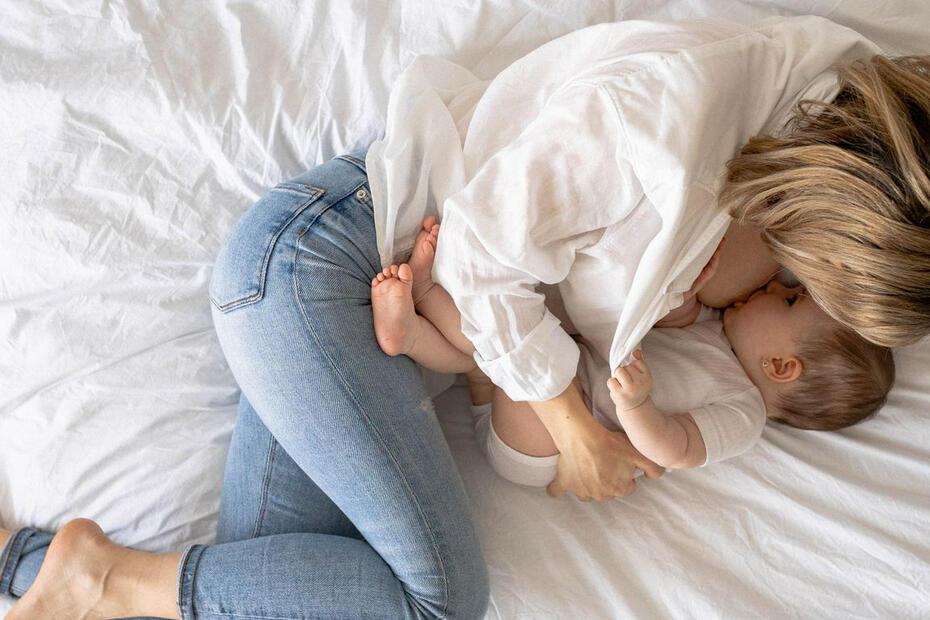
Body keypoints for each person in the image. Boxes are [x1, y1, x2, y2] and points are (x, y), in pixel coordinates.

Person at [2, 15, 929, 619]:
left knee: (287, 591)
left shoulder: (785, 128)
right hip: (332, 260)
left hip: (363, 316)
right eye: (813, 275)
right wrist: (577, 433)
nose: (787, 284)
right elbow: (482, 253)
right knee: (435, 603)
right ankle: (97, 575)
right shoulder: (669, 123)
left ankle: (26, 566)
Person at [370, 219, 895, 485]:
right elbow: (670, 325)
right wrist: (681, 300)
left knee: (515, 356)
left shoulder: (744, 416)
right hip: (556, 401)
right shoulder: (718, 330)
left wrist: (638, 407)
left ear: (780, 366)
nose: (774, 286)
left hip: (547, 450)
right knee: (484, 363)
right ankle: (410, 335)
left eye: (787, 300)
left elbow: (676, 449)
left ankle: (426, 296)